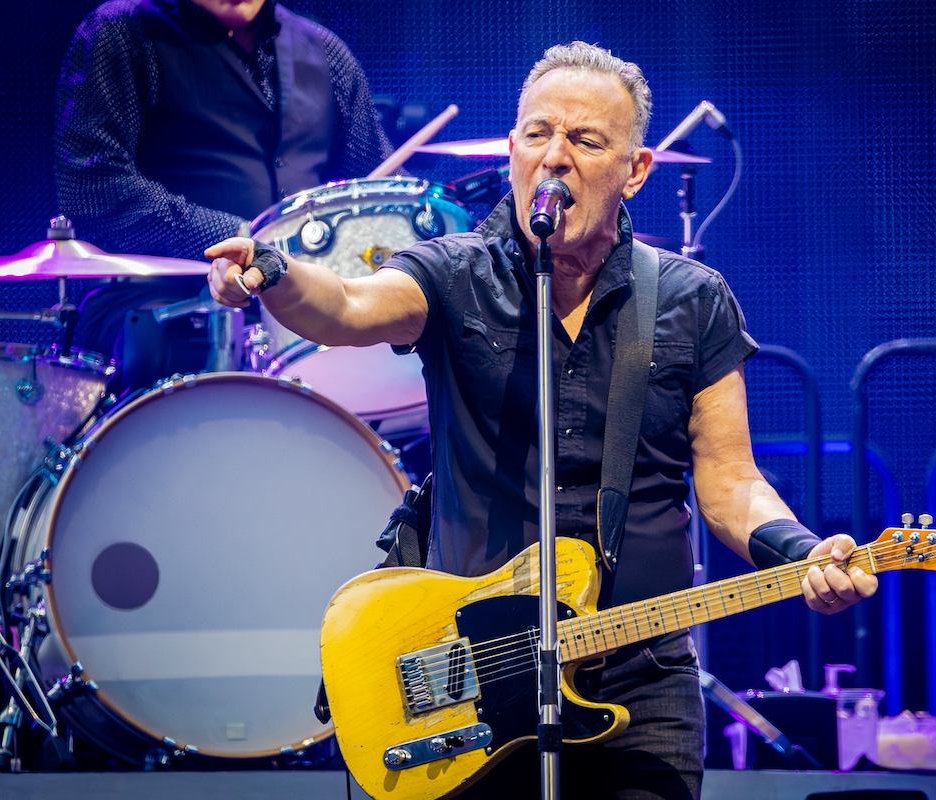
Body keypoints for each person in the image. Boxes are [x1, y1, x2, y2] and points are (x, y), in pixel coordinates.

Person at [208, 41, 877, 800]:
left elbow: (730, 482)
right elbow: (347, 307)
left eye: (586, 141)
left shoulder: (692, 300)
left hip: (638, 675)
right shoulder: (451, 274)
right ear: (512, 150)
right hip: (473, 669)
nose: (554, 157)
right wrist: (274, 271)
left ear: (635, 170)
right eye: (536, 134)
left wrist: (802, 551)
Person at [53, 0, 394, 389]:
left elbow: (376, 195)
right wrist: (244, 237)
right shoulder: (124, 30)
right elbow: (95, 189)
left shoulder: (325, 51)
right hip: (159, 301)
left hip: (299, 303)